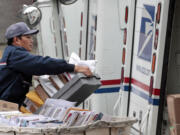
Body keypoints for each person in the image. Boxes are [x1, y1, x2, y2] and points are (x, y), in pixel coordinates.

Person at [0, 22, 92, 107]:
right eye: (28, 37)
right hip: (5, 108)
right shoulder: (15, 54)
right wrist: (74, 67)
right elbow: (42, 64)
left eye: (31, 37)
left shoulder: (11, 54)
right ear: (16, 40)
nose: (31, 40)